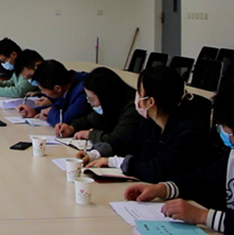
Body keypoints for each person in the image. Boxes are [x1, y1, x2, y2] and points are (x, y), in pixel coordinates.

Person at [124, 85, 234, 234]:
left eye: (228, 130)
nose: (225, 134)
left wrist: (203, 216)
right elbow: (203, 180)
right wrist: (162, 189)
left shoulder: (189, 130)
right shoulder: (231, 157)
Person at [77, 66, 216, 183]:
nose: (136, 97)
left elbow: (156, 170)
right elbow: (128, 141)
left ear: (150, 102)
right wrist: (97, 153)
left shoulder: (189, 132)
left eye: (140, 93)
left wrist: (114, 162)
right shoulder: (152, 122)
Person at [53, 67, 141, 144]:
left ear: (105, 97)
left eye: (91, 99)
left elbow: (115, 141)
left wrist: (90, 135)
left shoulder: (133, 109)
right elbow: (89, 120)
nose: (89, 102)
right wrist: (71, 128)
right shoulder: (112, 105)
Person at [17, 60, 91, 127]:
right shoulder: (67, 82)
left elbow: (63, 121)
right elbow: (61, 105)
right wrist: (35, 111)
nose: (43, 93)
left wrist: (50, 112)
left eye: (43, 90)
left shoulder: (84, 91)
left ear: (57, 88)